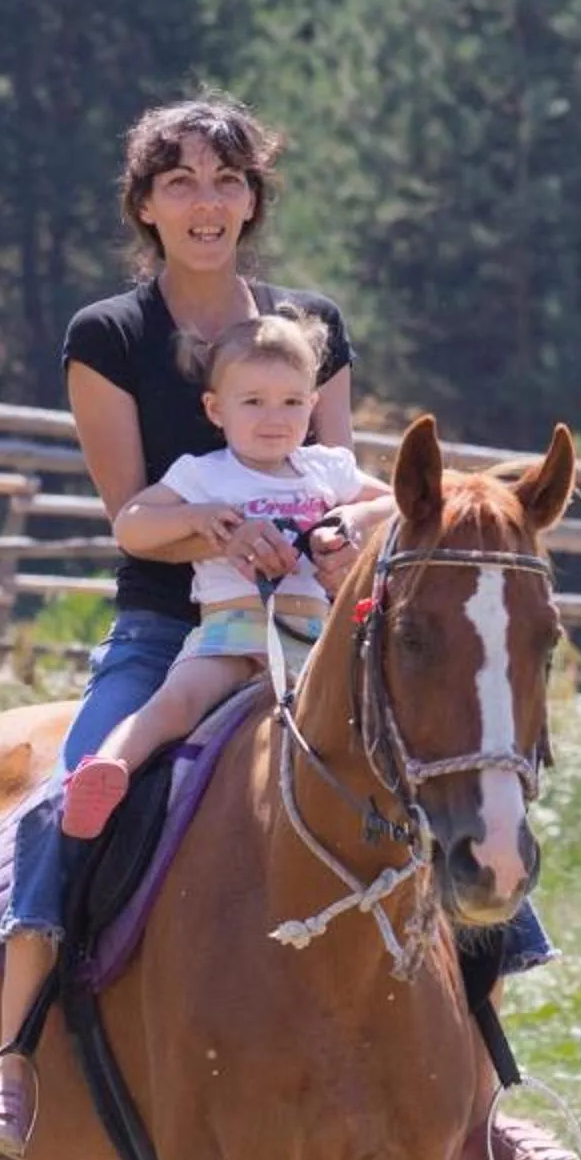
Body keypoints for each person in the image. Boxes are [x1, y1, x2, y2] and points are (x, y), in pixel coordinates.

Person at [0, 94, 581, 1160]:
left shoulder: (310, 325)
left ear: (255, 198)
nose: (208, 202)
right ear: (145, 203)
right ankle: (12, 1065)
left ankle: (487, 1093)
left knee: (457, 790)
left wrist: (346, 540)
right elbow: (128, 508)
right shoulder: (110, 337)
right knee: (65, 800)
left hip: (321, 625)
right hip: (174, 622)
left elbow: (353, 485)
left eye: (229, 180)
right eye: (182, 181)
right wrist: (215, 524)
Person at [59, 310, 388, 839]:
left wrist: (357, 517)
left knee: (380, 718)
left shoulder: (327, 469)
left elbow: (405, 507)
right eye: (253, 402)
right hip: (229, 634)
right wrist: (197, 517)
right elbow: (132, 526)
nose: (274, 417)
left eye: (292, 402)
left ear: (312, 405)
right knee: (178, 702)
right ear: (216, 409)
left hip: (315, 644)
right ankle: (107, 771)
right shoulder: (204, 473)